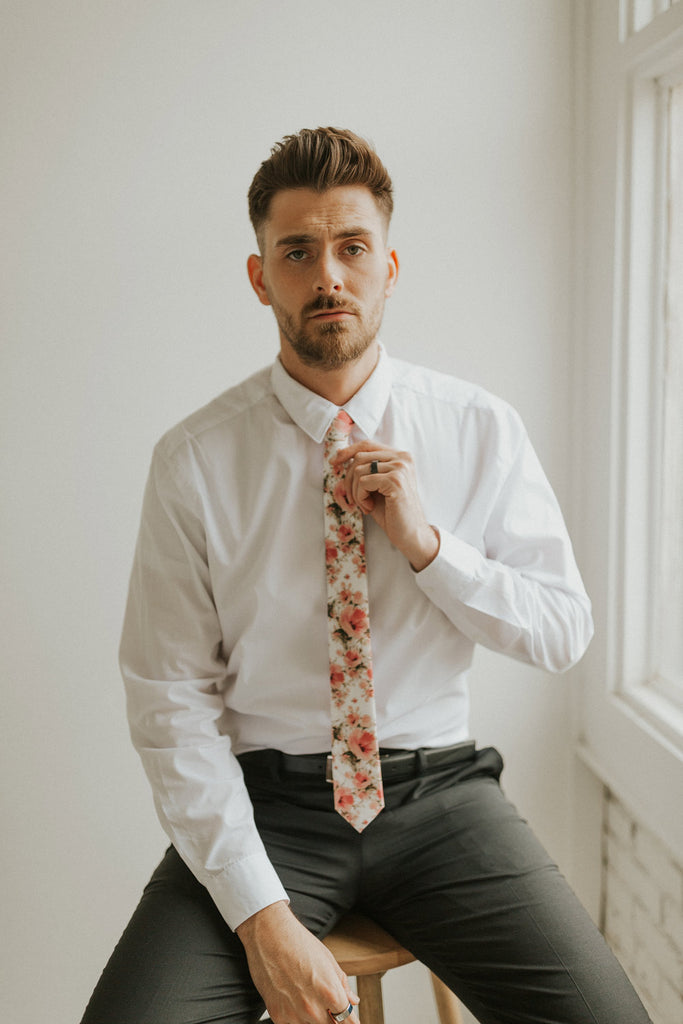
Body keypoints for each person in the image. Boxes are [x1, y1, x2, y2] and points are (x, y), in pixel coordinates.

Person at [81, 127, 651, 1024]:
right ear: (260, 277)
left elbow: (560, 631)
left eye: (351, 249)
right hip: (271, 810)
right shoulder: (193, 460)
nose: (327, 278)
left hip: (444, 804)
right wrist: (263, 920)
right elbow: (167, 701)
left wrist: (429, 547)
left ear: (389, 264)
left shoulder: (477, 428)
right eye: (297, 253)